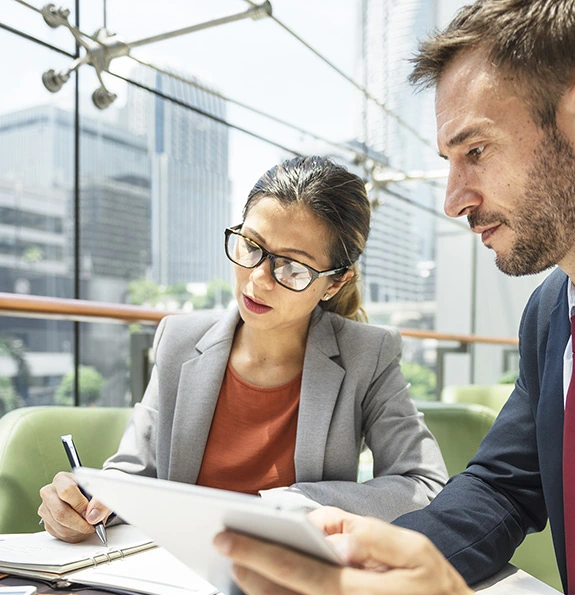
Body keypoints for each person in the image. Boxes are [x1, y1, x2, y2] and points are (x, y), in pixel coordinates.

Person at [214, 0, 575, 595]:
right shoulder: (551, 316)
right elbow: (503, 484)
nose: (453, 200)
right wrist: (378, 565)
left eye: (475, 151)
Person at [38, 155, 447, 543]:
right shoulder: (178, 341)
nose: (258, 279)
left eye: (293, 267)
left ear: (335, 283)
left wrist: (294, 504)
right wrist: (86, 502)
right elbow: (134, 474)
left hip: (291, 574)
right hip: (175, 576)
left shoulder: (367, 354)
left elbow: (423, 483)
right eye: (251, 246)